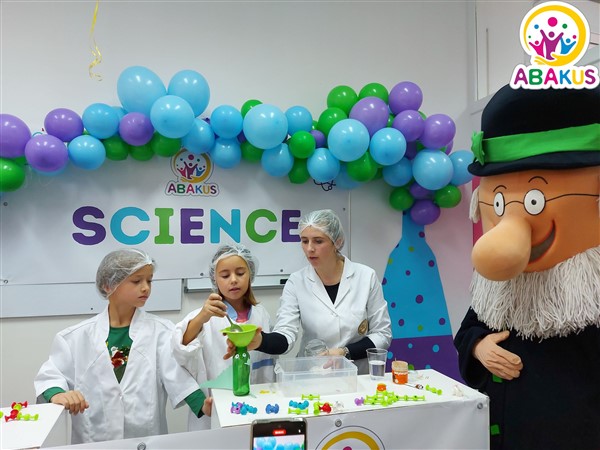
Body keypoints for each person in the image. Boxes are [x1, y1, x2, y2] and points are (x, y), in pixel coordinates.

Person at [454, 85, 600, 450]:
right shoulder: (499, 280)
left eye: (534, 200)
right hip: (507, 430)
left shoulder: (592, 282)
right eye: (499, 202)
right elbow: (470, 328)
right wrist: (479, 347)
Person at [34, 249, 211, 444]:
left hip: (144, 441)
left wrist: (203, 405)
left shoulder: (162, 331)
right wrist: (58, 394)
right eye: (136, 281)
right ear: (108, 285)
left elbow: (176, 376)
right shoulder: (74, 337)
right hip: (93, 441)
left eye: (149, 281)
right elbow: (50, 376)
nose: (146, 288)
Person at [227, 209, 392, 375]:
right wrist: (260, 341)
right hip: (313, 374)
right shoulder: (296, 282)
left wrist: (345, 352)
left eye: (318, 241)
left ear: (337, 242)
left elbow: (382, 334)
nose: (309, 249)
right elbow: (286, 335)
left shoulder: (366, 277)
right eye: (304, 241)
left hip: (357, 374)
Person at [171, 243, 274, 431]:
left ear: (250, 274)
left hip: (257, 407)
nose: (233, 280)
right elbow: (180, 349)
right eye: (225, 276)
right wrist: (201, 317)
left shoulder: (261, 314)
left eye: (240, 273)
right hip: (215, 412)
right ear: (214, 279)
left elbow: (267, 364)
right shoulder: (204, 317)